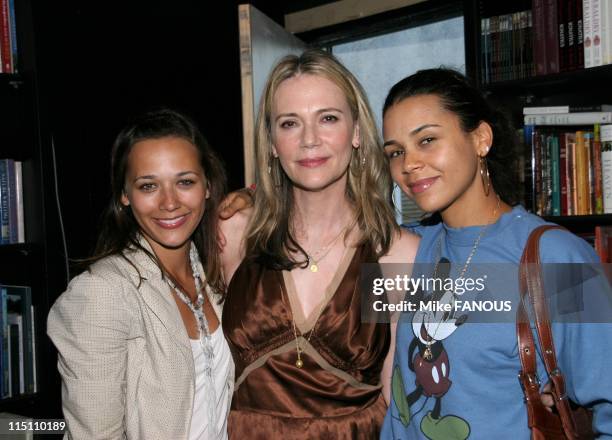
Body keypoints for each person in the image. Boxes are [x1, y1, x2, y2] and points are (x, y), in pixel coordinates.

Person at [380, 68, 612, 438]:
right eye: (395, 152)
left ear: (481, 139)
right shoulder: (411, 249)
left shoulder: (556, 256)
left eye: (426, 140)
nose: (408, 164)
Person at [219, 49, 419, 438]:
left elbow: (404, 404)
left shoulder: (395, 255)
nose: (309, 140)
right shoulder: (237, 235)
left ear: (357, 132)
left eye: (328, 118)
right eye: (290, 123)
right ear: (273, 142)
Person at [47, 108, 234, 440]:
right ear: (124, 195)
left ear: (207, 186)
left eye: (185, 182)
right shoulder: (102, 291)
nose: (169, 202)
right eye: (149, 186)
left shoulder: (216, 272)